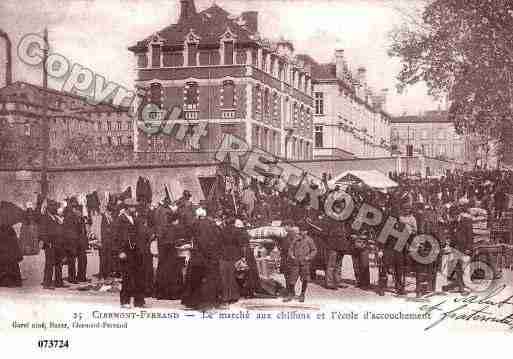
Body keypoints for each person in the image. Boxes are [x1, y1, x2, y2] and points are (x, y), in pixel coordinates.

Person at [181, 207, 222, 310]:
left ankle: (193, 302)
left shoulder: (195, 224)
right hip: (208, 255)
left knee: (194, 279)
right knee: (210, 278)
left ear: (198, 216)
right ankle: (211, 301)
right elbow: (215, 239)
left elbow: (193, 238)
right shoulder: (211, 224)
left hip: (198, 255)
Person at [117, 199, 146, 308]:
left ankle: (139, 301)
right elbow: (116, 238)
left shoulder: (135, 218)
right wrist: (120, 251)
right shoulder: (121, 219)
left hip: (136, 251)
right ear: (127, 207)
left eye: (135, 206)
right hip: (126, 252)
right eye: (132, 207)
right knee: (127, 277)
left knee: (138, 276)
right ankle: (125, 301)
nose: (134, 208)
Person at [155, 210, 185, 300]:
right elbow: (176, 241)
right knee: (173, 273)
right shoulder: (175, 228)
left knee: (163, 272)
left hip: (163, 254)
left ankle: (161, 293)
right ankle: (173, 294)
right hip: (171, 253)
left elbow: (160, 240)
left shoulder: (162, 228)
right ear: (175, 220)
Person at [283, 224, 317, 303]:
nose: (302, 232)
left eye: (304, 231)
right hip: (295, 263)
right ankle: (291, 294)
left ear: (307, 232)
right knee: (292, 279)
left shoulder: (309, 240)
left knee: (305, 279)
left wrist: (308, 257)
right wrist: (292, 255)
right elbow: (290, 248)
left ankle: (302, 294)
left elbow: (314, 250)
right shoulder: (295, 239)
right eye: (301, 231)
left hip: (305, 263)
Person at [40, 203, 67, 289]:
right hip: (50, 244)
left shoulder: (55, 217)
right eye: (53, 207)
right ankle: (47, 283)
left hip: (57, 243)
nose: (55, 209)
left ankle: (58, 282)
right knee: (49, 264)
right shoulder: (45, 218)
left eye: (55, 207)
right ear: (48, 209)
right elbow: (42, 232)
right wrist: (47, 242)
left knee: (58, 263)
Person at [219, 218, 243, 304]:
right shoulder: (237, 231)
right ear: (234, 223)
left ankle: (225, 297)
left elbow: (219, 243)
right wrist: (241, 256)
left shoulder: (222, 231)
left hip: (224, 255)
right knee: (232, 277)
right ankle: (234, 296)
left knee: (224, 277)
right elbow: (240, 244)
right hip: (234, 255)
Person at [99, 206, 116, 280]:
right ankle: (102, 274)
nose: (110, 213)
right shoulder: (103, 217)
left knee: (109, 259)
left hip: (110, 241)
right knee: (103, 259)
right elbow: (103, 230)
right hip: (104, 241)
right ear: (107, 211)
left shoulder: (110, 217)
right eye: (110, 211)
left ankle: (107, 274)